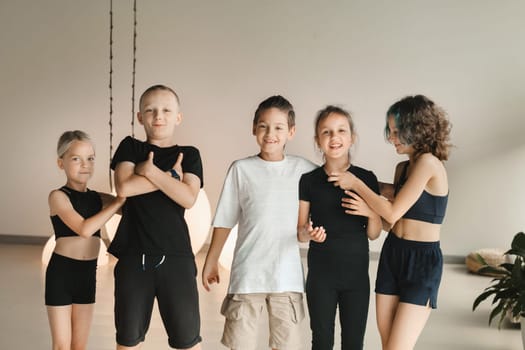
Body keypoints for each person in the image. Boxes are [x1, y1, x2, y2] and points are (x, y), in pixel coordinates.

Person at [335, 95, 451, 350]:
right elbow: (392, 224)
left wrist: (356, 184)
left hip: (422, 263)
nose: (391, 137)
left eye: (398, 131)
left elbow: (392, 212)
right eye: (391, 130)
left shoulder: (428, 163)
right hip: (393, 255)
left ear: (418, 130)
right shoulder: (403, 169)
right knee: (388, 346)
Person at [202, 95, 316, 350]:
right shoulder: (241, 169)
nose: (270, 134)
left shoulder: (306, 170)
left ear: (291, 132)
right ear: (254, 128)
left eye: (278, 127)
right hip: (247, 275)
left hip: (286, 278)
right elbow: (225, 219)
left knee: (287, 346)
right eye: (263, 126)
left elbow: (333, 187)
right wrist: (211, 259)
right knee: (239, 344)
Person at [109, 84, 203, 350]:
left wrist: (151, 173)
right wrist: (172, 177)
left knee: (188, 340)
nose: (158, 116)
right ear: (140, 117)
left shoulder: (190, 154)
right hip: (133, 257)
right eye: (150, 110)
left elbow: (188, 197)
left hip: (177, 258)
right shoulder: (130, 147)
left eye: (165, 110)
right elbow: (125, 188)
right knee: (127, 340)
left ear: (178, 117)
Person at [297, 105, 382, 350]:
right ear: (318, 140)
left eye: (341, 131)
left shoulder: (366, 178)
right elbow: (301, 231)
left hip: (356, 279)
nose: (335, 137)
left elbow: (374, 234)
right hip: (321, 278)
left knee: (354, 344)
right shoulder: (309, 181)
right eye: (327, 132)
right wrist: (310, 233)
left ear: (351, 137)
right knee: (321, 342)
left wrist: (370, 212)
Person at [46, 130, 125, 350]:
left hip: (87, 274)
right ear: (60, 163)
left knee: (79, 346)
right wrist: (117, 202)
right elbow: (84, 229)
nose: (85, 165)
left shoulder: (98, 198)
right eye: (76, 159)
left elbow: (134, 209)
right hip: (61, 274)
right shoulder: (58, 196)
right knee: (62, 345)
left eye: (90, 158)